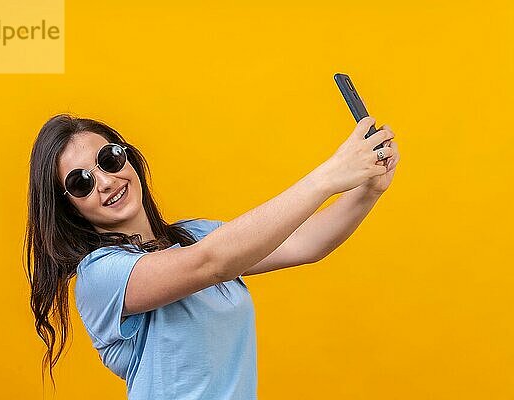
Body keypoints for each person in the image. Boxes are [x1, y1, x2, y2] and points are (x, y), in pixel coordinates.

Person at [24, 113, 400, 399]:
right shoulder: (101, 276)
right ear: (70, 208)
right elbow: (211, 262)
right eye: (80, 182)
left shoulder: (197, 236)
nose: (105, 181)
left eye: (108, 159)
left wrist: (368, 190)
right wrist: (329, 176)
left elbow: (304, 243)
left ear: (128, 158)